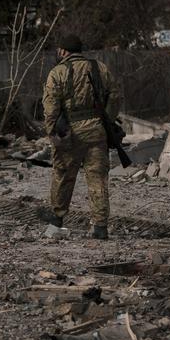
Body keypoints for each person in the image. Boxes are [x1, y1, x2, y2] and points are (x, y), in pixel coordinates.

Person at [41, 34, 120, 239]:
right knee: (98, 179)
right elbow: (116, 95)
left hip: (70, 134)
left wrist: (53, 134)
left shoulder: (57, 72)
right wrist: (107, 120)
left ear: (62, 51)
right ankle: (100, 227)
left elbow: (50, 108)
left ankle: (57, 219)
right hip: (97, 131)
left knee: (63, 175)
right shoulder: (100, 68)